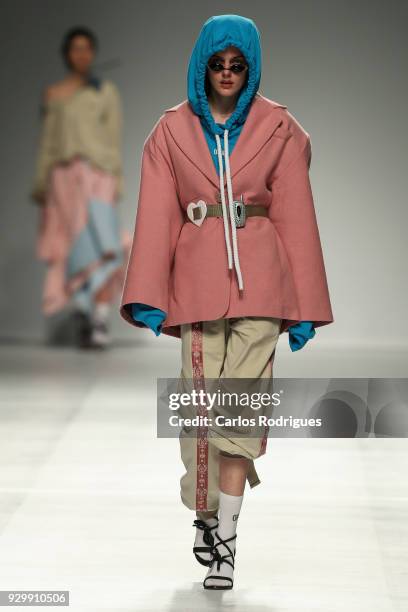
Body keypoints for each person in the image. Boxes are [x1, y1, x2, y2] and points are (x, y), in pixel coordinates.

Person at [120, 14, 334, 589]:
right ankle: (205, 515)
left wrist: (305, 303)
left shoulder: (281, 128)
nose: (227, 74)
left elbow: (296, 216)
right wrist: (147, 293)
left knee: (239, 415)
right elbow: (156, 213)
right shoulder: (169, 132)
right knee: (197, 421)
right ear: (200, 66)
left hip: (260, 281)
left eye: (238, 66)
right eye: (217, 64)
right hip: (195, 285)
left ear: (253, 68)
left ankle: (229, 544)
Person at [32, 26, 130, 349]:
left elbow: (113, 137)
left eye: (87, 48)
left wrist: (116, 178)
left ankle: (99, 319)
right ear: (66, 53)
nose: (82, 54)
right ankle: (83, 316)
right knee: (70, 247)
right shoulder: (54, 94)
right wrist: (40, 182)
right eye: (75, 48)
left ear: (94, 52)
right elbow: (48, 141)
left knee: (103, 246)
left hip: (98, 174)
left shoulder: (106, 91)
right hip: (63, 178)